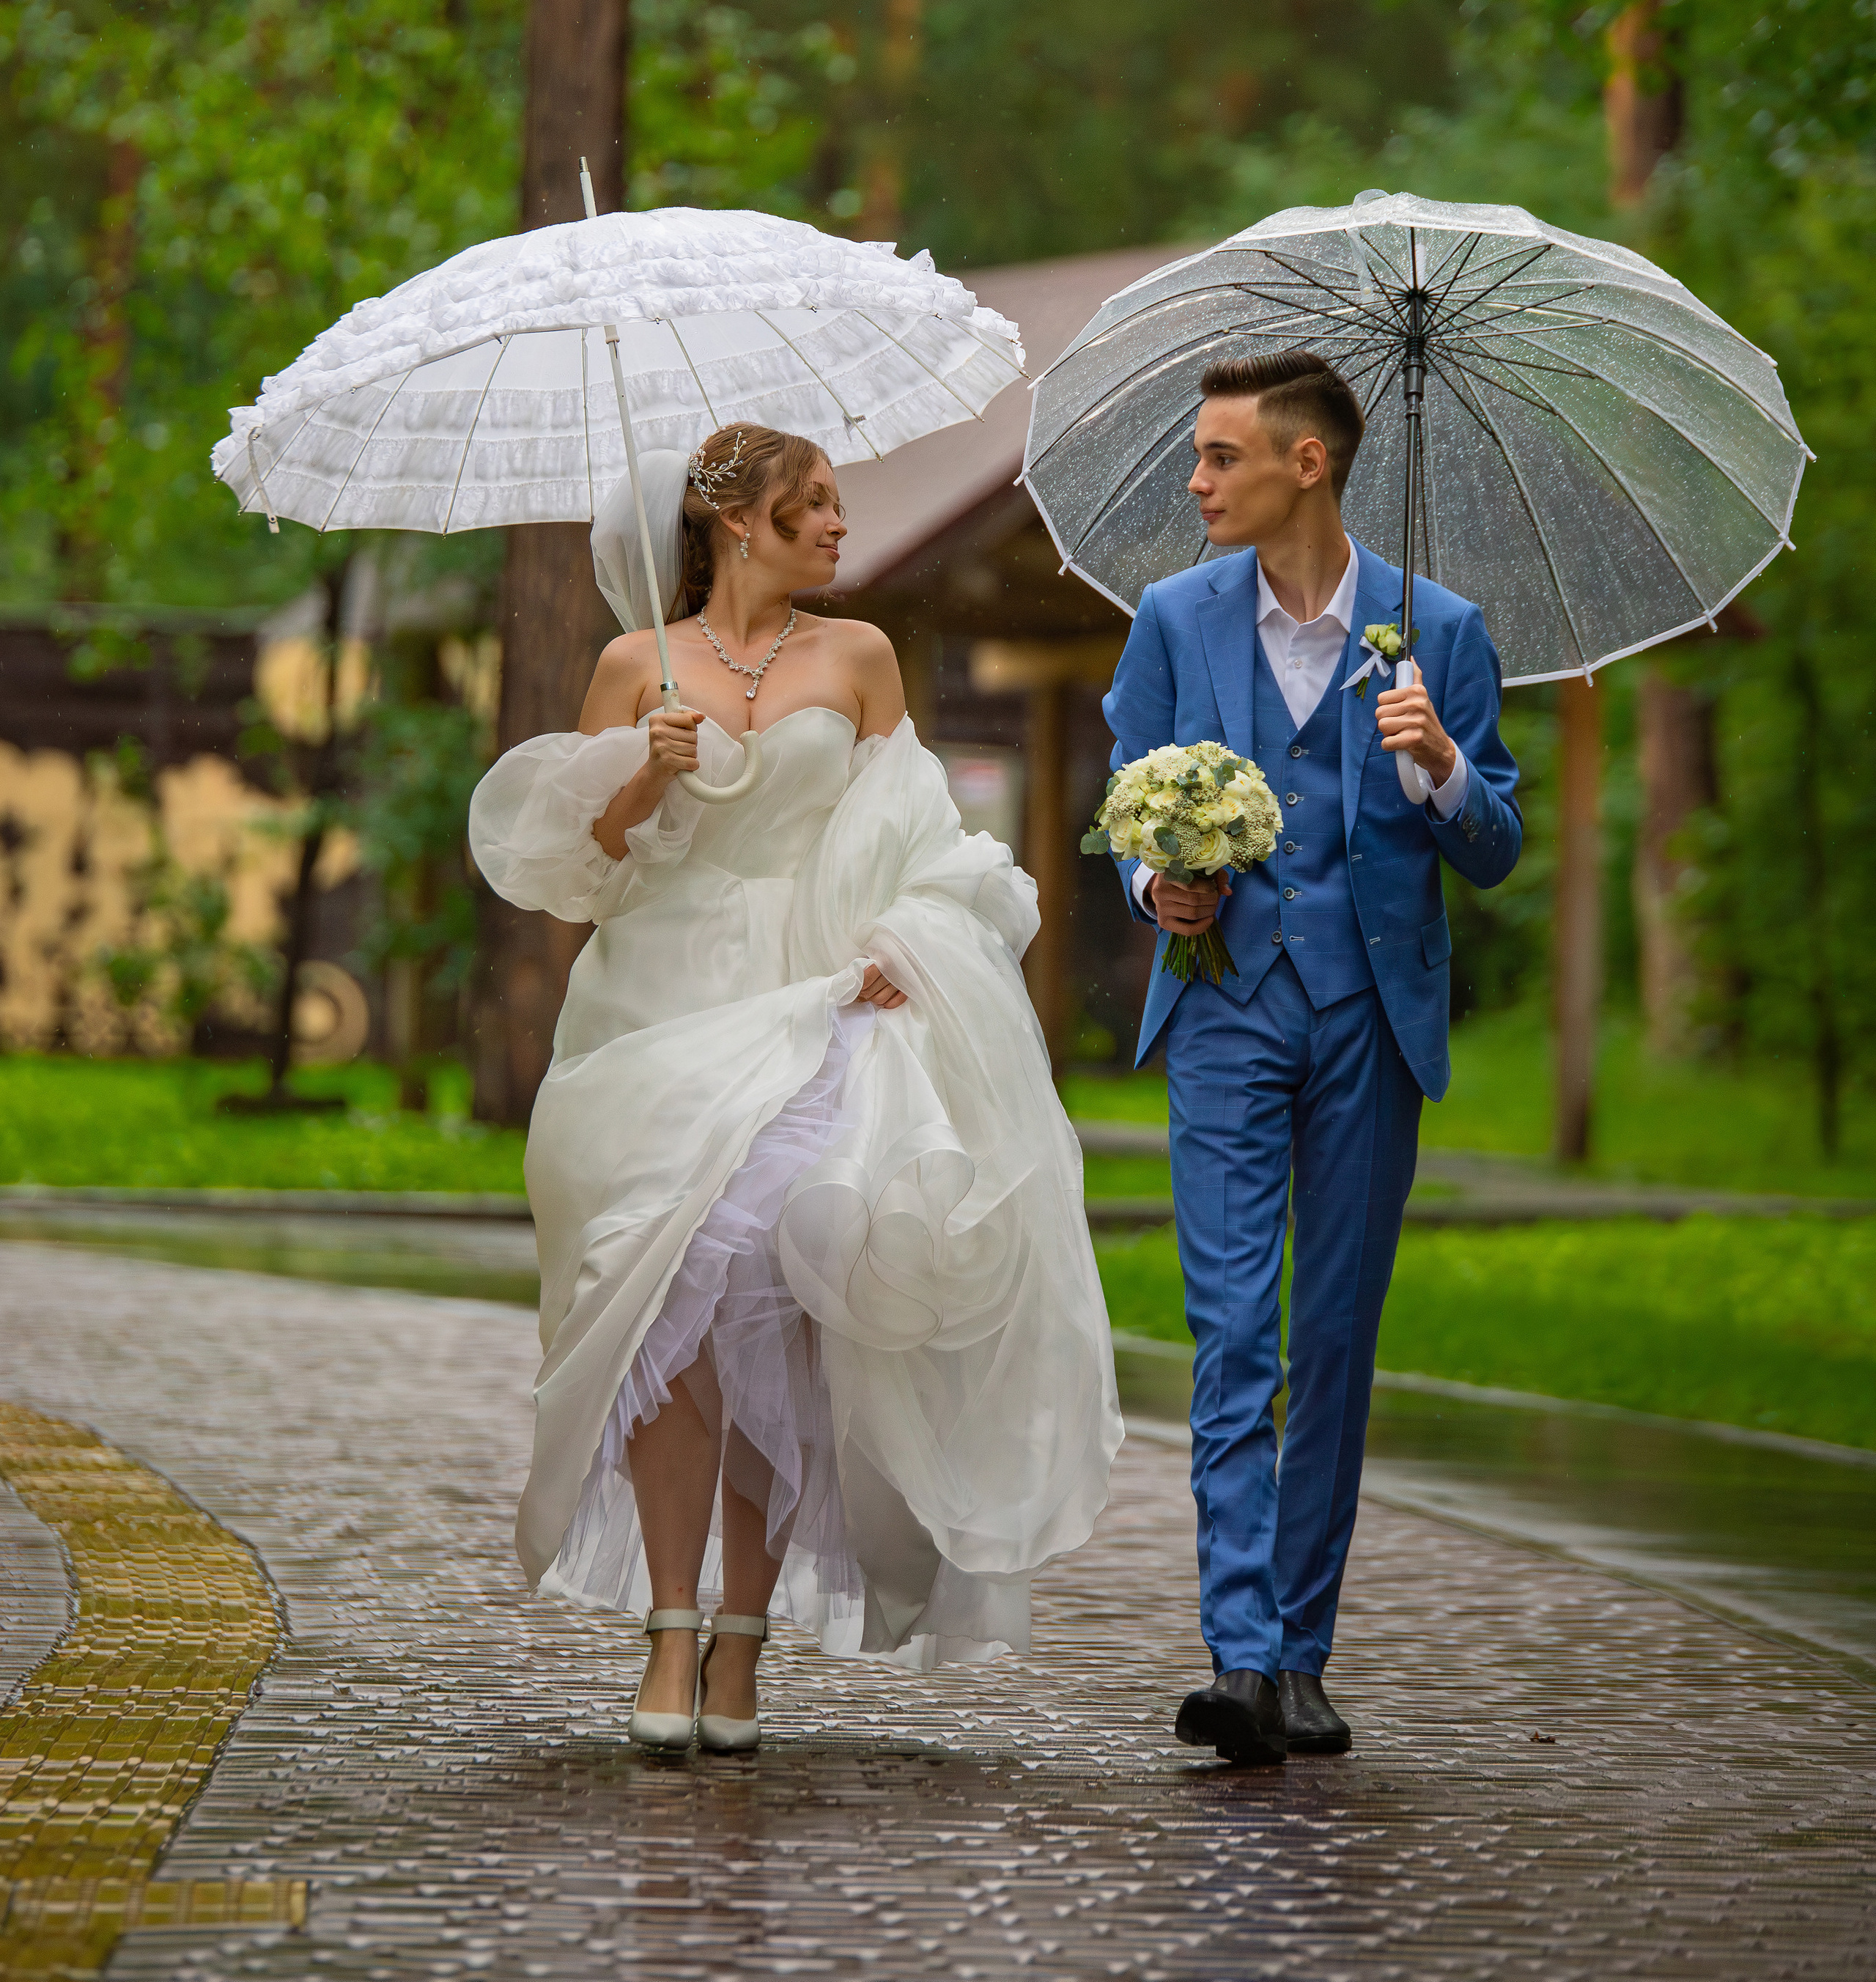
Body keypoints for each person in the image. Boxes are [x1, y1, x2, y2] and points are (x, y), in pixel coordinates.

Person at [469, 425, 1120, 1755]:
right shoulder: (629, 663)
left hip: (814, 993)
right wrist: (640, 767)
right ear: (735, 525)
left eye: (833, 502)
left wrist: (902, 942)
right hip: (657, 1005)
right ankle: (666, 1620)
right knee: (664, 1292)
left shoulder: (861, 656)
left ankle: (742, 1642)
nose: (837, 523)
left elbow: (922, 835)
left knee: (772, 1281)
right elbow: (582, 870)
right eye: (810, 506)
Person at [1103, 349, 1521, 1767]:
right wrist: (1159, 890)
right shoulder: (1171, 618)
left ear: (1308, 464)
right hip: (1223, 1003)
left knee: (1333, 1341)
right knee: (1232, 1337)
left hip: (1370, 1019)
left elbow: (1499, 844)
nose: (1198, 481)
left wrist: (1443, 768)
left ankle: (1304, 1655)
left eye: (1221, 457)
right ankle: (1239, 1658)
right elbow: (1121, 805)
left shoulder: (1438, 631)